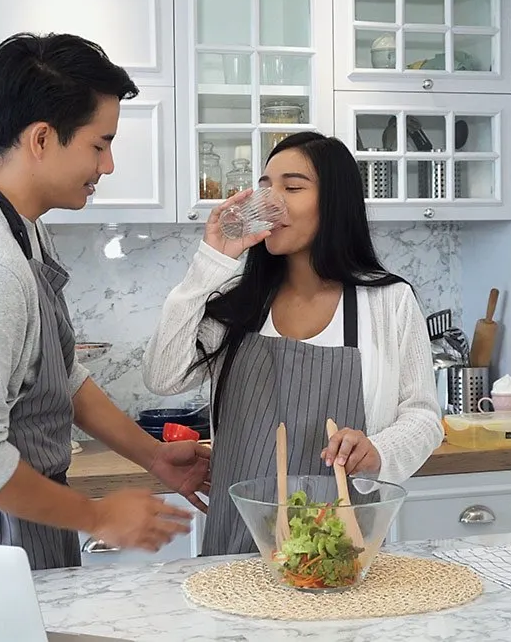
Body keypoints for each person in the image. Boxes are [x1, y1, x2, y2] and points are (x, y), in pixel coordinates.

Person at [0, 32, 210, 570]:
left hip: (21, 517)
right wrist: (97, 517)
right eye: (99, 144)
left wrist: (154, 456)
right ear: (42, 139)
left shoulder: (19, 226)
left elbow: (59, 375)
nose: (108, 165)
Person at [142, 131, 443, 556]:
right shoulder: (238, 299)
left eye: (292, 187)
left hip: (342, 548)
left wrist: (376, 450)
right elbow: (162, 375)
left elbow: (424, 418)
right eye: (265, 187)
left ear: (334, 203)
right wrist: (212, 260)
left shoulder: (387, 300)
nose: (271, 200)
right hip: (236, 545)